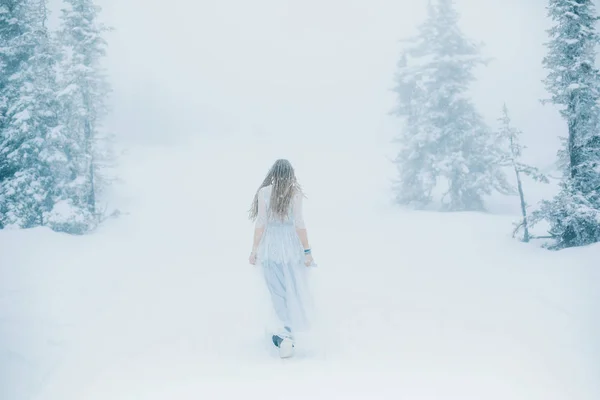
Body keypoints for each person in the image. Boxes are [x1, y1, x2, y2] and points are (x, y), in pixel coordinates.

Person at [248, 159, 315, 358]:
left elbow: (261, 223)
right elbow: (299, 224)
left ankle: (284, 334)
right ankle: (288, 332)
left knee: (276, 291)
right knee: (292, 289)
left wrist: (254, 250)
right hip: (291, 247)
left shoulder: (264, 192)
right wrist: (307, 251)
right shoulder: (296, 194)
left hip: (271, 247)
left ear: (273, 173)